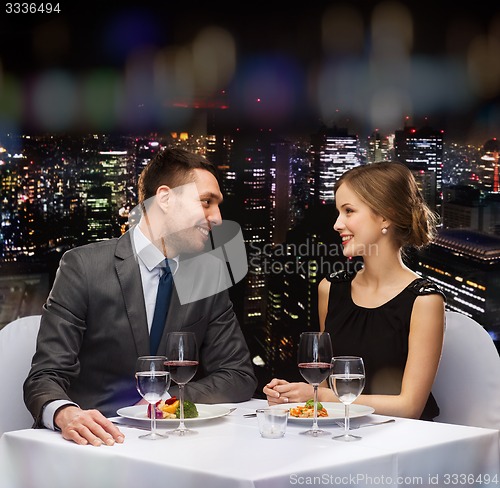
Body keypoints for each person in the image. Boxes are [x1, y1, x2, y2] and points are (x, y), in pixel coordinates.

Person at [24, 147, 257, 446]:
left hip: (176, 444)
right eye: (206, 202)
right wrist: (66, 414)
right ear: (165, 198)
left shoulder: (207, 275)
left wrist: (166, 401)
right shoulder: (83, 267)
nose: (217, 218)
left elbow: (238, 375)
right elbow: (45, 376)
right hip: (94, 445)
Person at [264, 161, 446, 420]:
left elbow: (410, 407)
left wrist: (321, 397)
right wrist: (294, 396)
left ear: (385, 216)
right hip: (340, 434)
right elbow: (326, 385)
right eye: (339, 212)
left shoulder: (425, 300)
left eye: (349, 211)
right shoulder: (330, 288)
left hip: (403, 442)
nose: (337, 224)